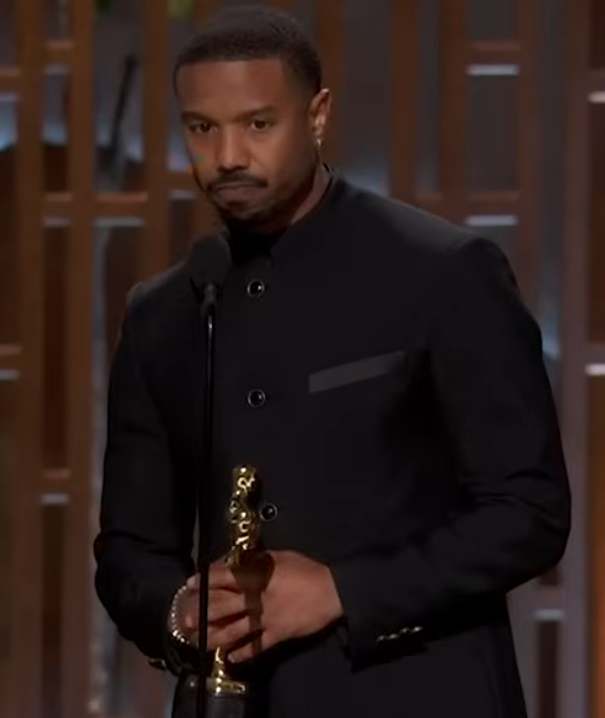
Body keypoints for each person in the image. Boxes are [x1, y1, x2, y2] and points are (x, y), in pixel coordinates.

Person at [93, 5, 571, 718]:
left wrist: (342, 591)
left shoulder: (442, 274)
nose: (227, 156)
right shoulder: (164, 314)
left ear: (317, 115)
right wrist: (178, 612)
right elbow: (129, 551)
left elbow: (528, 512)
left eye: (258, 124)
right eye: (202, 128)